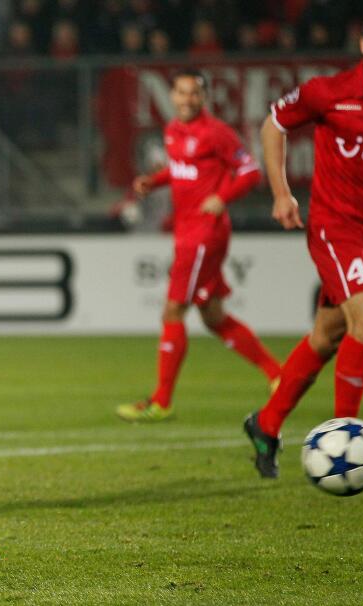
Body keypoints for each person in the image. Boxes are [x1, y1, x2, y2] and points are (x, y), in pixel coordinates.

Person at [244, 8, 363, 479]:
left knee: (327, 335)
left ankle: (265, 424)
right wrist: (282, 193)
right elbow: (273, 125)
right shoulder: (330, 92)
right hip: (335, 225)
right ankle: (346, 439)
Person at [117, 70, 280, 423]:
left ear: (204, 98)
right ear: (172, 96)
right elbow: (181, 171)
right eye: (181, 93)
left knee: (172, 312)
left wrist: (222, 198)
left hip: (203, 236)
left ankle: (161, 401)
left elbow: (251, 172)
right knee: (213, 316)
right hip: (189, 232)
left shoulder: (216, 133)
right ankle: (277, 374)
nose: (187, 100)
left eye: (194, 94)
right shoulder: (173, 130)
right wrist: (153, 181)